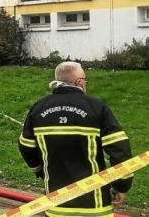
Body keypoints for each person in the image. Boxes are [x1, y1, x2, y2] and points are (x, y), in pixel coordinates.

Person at [19, 62, 133, 217]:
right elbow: (120, 150)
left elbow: (26, 146)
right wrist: (121, 186)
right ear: (79, 82)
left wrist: (41, 172)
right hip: (95, 206)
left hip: (56, 206)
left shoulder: (39, 108)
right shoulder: (97, 107)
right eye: (85, 80)